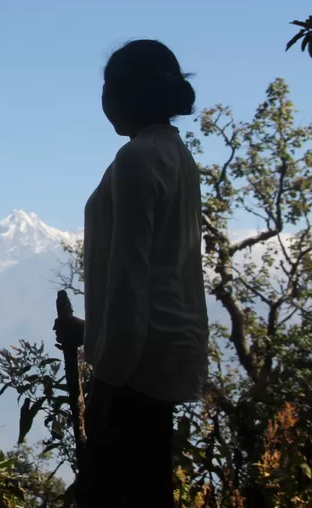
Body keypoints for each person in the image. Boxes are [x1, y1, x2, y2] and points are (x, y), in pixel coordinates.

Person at [54, 39, 209, 507]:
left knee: (118, 492)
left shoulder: (137, 160)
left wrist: (108, 381)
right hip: (163, 357)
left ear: (126, 95)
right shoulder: (176, 156)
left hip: (134, 371)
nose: (102, 99)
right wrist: (90, 332)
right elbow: (162, 277)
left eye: (107, 88)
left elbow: (130, 281)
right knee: (148, 487)